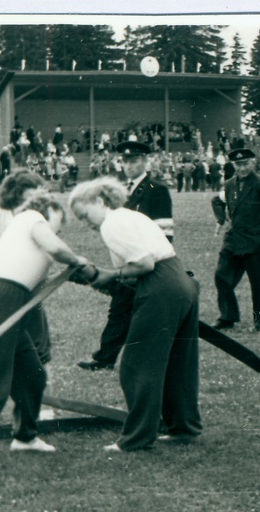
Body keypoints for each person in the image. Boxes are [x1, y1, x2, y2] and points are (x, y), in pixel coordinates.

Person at [0, 192, 90, 472]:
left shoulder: (32, 246)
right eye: (57, 224)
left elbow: (37, 284)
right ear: (45, 210)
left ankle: (25, 437)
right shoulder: (31, 217)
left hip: (13, 308)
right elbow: (59, 250)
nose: (57, 231)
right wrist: (76, 260)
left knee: (32, 376)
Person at [68, 177, 202, 451]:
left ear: (99, 201)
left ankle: (138, 437)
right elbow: (134, 274)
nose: (87, 223)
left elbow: (143, 263)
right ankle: (183, 428)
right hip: (180, 280)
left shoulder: (111, 223)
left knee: (138, 365)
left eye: (85, 215)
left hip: (160, 285)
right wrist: (103, 279)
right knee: (178, 364)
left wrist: (110, 275)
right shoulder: (131, 216)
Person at [78, 141, 174, 371]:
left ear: (145, 162)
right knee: (120, 308)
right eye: (126, 161)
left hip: (148, 261)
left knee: (133, 312)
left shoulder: (156, 189)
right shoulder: (120, 189)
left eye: (134, 161)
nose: (129, 166)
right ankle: (104, 358)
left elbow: (165, 231)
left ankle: (107, 358)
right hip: (133, 261)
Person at [210, 148, 260, 331]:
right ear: (233, 165)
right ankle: (227, 317)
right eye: (238, 164)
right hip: (233, 240)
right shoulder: (229, 184)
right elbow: (217, 201)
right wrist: (221, 218)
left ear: (253, 163)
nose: (242, 168)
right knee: (222, 277)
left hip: (256, 242)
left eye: (246, 163)